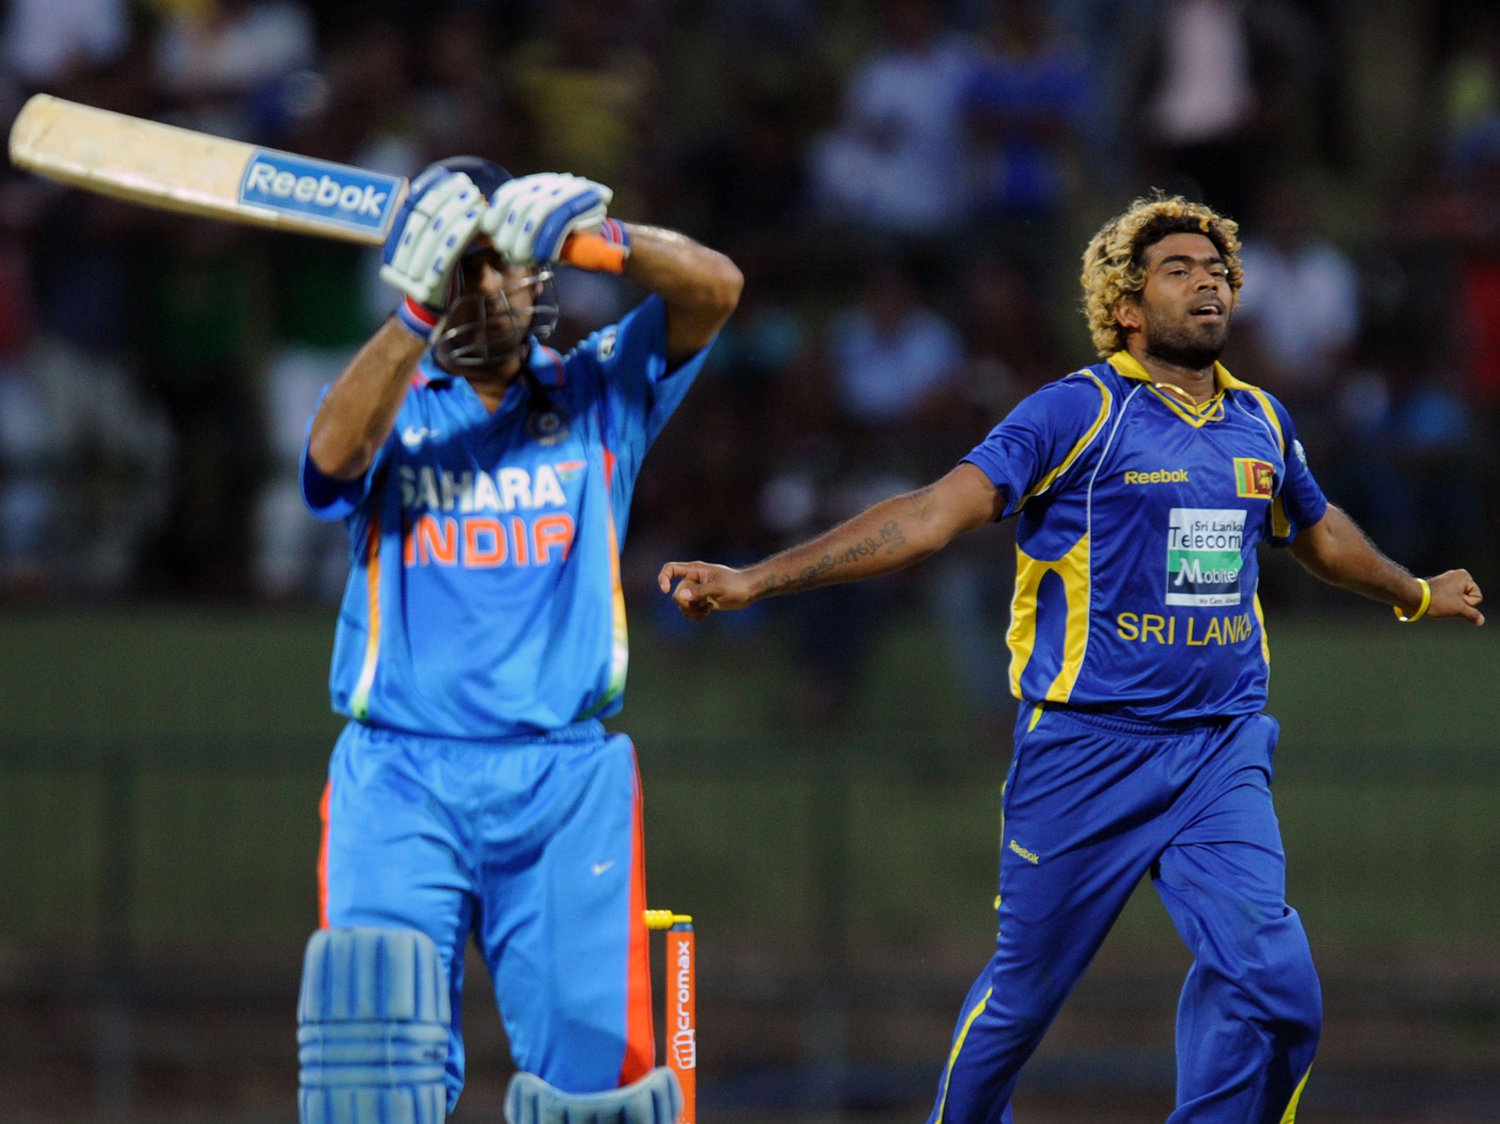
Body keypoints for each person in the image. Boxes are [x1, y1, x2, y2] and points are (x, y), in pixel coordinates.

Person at [658, 194, 1484, 1124]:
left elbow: (1322, 537)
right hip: (1084, 753)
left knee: (1277, 986)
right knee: (1020, 1004)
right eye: (1180, 269)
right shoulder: (1076, 412)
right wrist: (754, 581)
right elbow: (930, 515)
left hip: (1220, 750)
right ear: (1126, 306)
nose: (1209, 280)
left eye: (1217, 270)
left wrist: (1415, 592)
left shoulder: (1262, 421)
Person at [295, 158, 741, 1124]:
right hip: (400, 778)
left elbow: (718, 285)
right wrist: (414, 319)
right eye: (461, 269)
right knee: (366, 1076)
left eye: (502, 267)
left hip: (561, 782)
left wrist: (605, 241)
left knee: (603, 1096)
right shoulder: (391, 402)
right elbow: (326, 469)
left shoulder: (601, 390)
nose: (486, 290)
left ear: (539, 277)